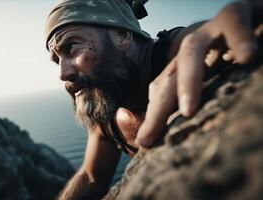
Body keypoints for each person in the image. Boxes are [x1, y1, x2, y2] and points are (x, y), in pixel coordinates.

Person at [44, 0, 262, 199]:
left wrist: (246, 18)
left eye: (71, 48)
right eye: (57, 61)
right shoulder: (105, 103)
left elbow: (202, 39)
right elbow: (92, 177)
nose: (63, 74)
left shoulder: (173, 52)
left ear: (122, 35)